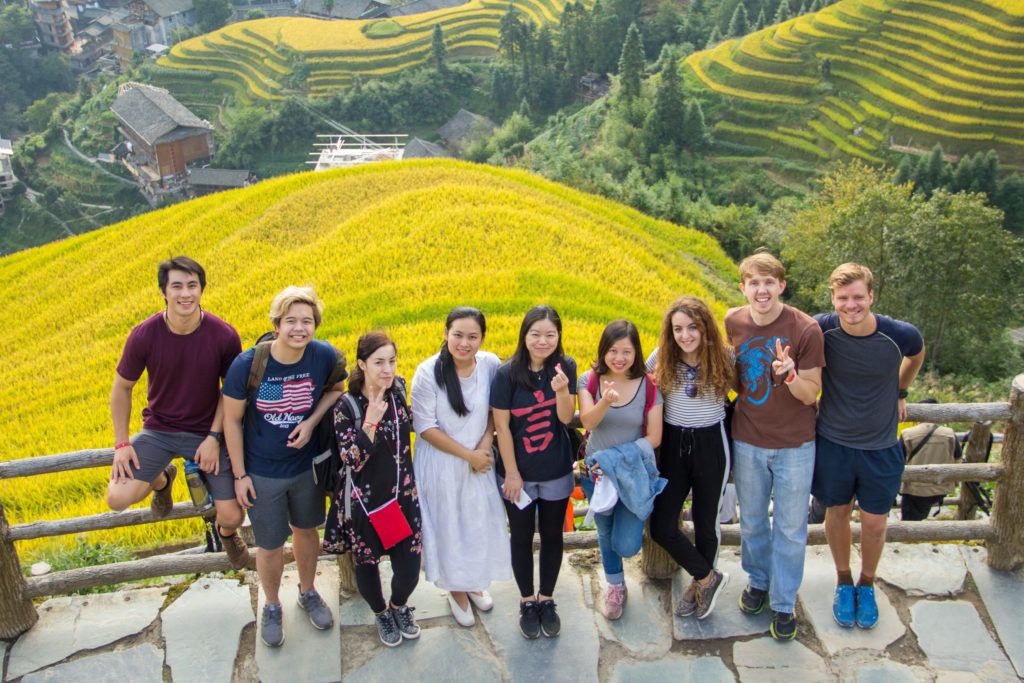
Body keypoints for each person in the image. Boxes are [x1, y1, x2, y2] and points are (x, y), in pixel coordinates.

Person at [222, 286, 346, 648]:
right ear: (277, 323)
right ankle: (272, 605)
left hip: (306, 469)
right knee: (270, 545)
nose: (299, 328)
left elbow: (337, 389)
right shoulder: (249, 364)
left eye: (307, 321)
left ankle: (308, 592)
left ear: (315, 325)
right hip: (262, 472)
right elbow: (231, 421)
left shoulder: (322, 356)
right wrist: (240, 475)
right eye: (290, 320)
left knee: (307, 532)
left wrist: (310, 423)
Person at [107, 256, 249, 571]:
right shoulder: (144, 334)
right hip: (159, 430)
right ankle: (162, 480)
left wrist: (214, 437)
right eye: (177, 287)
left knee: (232, 516)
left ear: (201, 290)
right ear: (164, 292)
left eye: (192, 286)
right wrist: (121, 444)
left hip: (205, 433)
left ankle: (226, 535)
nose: (185, 294)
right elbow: (122, 388)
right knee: (116, 498)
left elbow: (232, 392)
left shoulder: (223, 335)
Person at [812, 263, 925, 630]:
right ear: (833, 298)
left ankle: (867, 583)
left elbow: (917, 354)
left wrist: (900, 389)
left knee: (875, 522)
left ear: (871, 296)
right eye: (843, 298)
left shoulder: (898, 334)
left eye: (858, 297)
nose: (851, 305)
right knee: (837, 514)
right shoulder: (820, 328)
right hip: (833, 443)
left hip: (881, 446)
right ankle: (844, 580)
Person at [726, 252, 825, 642]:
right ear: (743, 287)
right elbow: (737, 378)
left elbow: (810, 393)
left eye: (769, 282)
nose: (762, 290)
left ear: (782, 285)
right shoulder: (733, 320)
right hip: (747, 439)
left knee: (789, 526)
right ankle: (759, 581)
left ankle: (784, 602)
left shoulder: (806, 329)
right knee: (751, 520)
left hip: (795, 444)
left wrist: (789, 375)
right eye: (754, 282)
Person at [411, 307, 511, 627]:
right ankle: (456, 589)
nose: (464, 343)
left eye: (472, 337)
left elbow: (498, 407)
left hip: (477, 460)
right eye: (458, 335)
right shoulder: (427, 373)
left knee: (476, 523)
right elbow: (425, 427)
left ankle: (471, 581)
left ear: (482, 338)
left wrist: (484, 443)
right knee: (448, 525)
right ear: (445, 334)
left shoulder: (491, 365)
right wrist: (468, 455)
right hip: (441, 464)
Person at [323, 332, 422, 648]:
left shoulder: (398, 391)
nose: (387, 369)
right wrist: (370, 423)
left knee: (409, 567)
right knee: (368, 567)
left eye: (391, 361)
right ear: (362, 364)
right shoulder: (346, 405)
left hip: (401, 499)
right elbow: (350, 460)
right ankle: (381, 612)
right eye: (379, 362)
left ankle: (398, 606)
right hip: (367, 505)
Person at [491, 305, 577, 639]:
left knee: (554, 536)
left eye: (550, 335)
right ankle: (527, 600)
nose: (543, 341)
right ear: (524, 335)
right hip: (519, 474)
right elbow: (501, 425)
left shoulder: (565, 366)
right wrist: (512, 473)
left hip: (555, 470)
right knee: (522, 536)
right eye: (536, 334)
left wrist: (560, 391)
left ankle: (547, 598)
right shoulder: (507, 373)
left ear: (558, 337)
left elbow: (567, 418)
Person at [646, 296, 734, 620]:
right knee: (662, 525)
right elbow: (634, 382)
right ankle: (708, 577)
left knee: (706, 522)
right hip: (673, 443)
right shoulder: (661, 357)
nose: (685, 335)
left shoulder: (725, 356)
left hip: (712, 442)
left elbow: (748, 389)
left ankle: (699, 586)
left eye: (693, 327)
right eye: (678, 329)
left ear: (706, 328)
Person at [578, 319, 664, 621]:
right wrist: (605, 400)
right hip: (596, 475)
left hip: (631, 474)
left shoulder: (650, 385)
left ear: (636, 352)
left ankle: (619, 565)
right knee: (604, 529)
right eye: (612, 350)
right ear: (603, 351)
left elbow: (654, 437)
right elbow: (588, 421)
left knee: (626, 543)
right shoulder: (588, 379)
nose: (618, 358)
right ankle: (615, 585)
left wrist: (614, 457)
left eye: (626, 351)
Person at [899, 398, 963, 522]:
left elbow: (897, 461)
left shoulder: (907, 434)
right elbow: (958, 460)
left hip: (914, 489)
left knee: (910, 522)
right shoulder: (949, 434)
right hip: (940, 488)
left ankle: (910, 538)